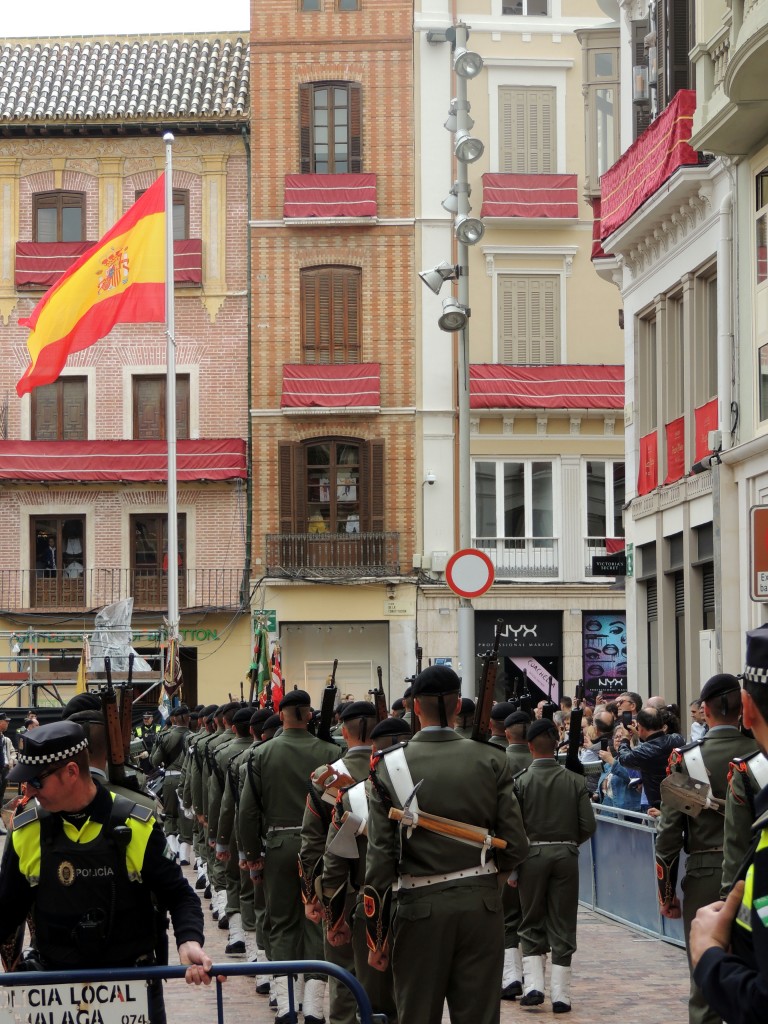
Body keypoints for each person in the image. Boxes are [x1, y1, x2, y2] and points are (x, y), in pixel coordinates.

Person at [0, 721, 214, 1022]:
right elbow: (6, 913)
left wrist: (189, 941)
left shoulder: (136, 826)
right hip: (55, 996)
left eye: (36, 781)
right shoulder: (27, 832)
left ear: (72, 772)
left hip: (132, 991)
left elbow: (180, 896)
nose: (29, 791)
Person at [365, 664, 529, 1024]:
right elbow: (515, 844)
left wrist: (376, 936)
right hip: (480, 904)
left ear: (415, 708)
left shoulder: (388, 767)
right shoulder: (491, 759)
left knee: (417, 1014)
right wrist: (488, 880)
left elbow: (380, 859)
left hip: (419, 906)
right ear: (458, 707)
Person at [655, 673, 759, 1024]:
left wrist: (666, 892)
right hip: (755, 874)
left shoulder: (687, 762)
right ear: (741, 710)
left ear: (706, 712)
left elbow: (668, 836)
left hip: (702, 878)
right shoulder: (760, 755)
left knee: (706, 984)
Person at [238, 688, 338, 1023]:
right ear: (310, 714)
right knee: (316, 922)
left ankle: (287, 1005)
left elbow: (248, 812)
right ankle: (313, 1007)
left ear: (280, 715)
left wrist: (252, 855)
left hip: (279, 846)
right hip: (321, 846)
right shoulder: (330, 751)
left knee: (281, 923)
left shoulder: (261, 754)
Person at [691, 625, 768, 1023]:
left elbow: (672, 836)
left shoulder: (691, 759)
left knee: (707, 995)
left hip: (720, 883)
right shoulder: (754, 762)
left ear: (748, 708)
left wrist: (710, 955)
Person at [514, 718, 596, 1013]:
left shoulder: (521, 782)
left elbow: (514, 827)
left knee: (531, 919)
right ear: (555, 745)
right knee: (563, 922)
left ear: (529, 747)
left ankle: (534, 985)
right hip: (565, 855)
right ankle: (561, 996)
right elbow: (588, 825)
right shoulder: (574, 781)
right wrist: (567, 843)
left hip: (531, 856)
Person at [616, 705, 684, 811]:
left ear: (641, 727)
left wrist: (625, 739)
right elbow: (655, 745)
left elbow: (624, 759)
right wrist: (640, 734)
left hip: (660, 806)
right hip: (680, 800)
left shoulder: (644, 752)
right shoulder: (678, 739)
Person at [0, 711, 17, 830]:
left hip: (5, 770)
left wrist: (11, 760)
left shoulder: (6, 739)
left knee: (1, 796)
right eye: (6, 721)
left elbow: (12, 752)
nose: (7, 723)